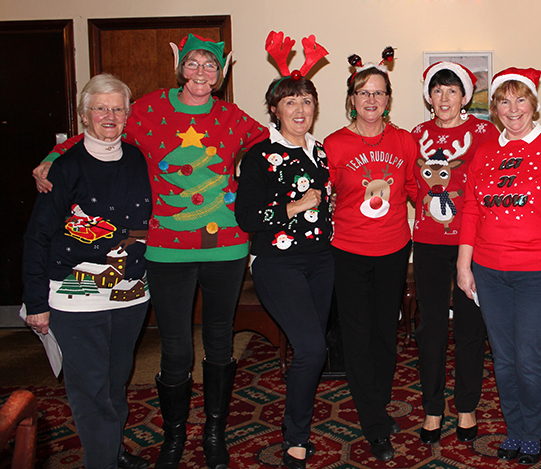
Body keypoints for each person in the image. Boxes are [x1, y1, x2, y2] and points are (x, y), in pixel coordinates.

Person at [32, 34, 268, 469]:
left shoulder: (233, 116)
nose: (201, 73)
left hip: (227, 248)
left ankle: (214, 433)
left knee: (218, 342)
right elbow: (100, 130)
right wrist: (53, 155)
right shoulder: (148, 109)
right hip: (166, 250)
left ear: (221, 74)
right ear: (181, 68)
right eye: (193, 64)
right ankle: (174, 436)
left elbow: (265, 149)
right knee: (176, 347)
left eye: (210, 66)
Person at [22, 74, 151, 469]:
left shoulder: (139, 159)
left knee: (115, 382)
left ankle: (111, 450)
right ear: (84, 115)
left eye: (117, 108)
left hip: (130, 294)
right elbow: (37, 237)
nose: (109, 116)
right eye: (100, 108)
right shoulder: (63, 167)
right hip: (75, 295)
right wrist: (35, 301)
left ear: (128, 115)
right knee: (90, 390)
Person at [456, 67, 541, 465]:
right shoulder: (485, 150)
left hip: (538, 274)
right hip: (490, 272)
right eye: (504, 101)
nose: (513, 109)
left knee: (528, 356)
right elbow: (471, 209)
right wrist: (464, 265)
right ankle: (513, 429)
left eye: (521, 99)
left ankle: (533, 431)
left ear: (534, 103)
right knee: (504, 357)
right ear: (494, 108)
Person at [235, 31, 331, 469]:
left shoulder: (322, 152)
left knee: (309, 347)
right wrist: (295, 205)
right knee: (312, 348)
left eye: (306, 101)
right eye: (290, 102)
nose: (300, 109)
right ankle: (295, 435)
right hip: (276, 262)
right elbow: (247, 217)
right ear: (274, 109)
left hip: (322, 262)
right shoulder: (259, 156)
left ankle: (300, 417)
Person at [322, 48, 417, 462]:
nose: (372, 100)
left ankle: (374, 405)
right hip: (348, 252)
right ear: (352, 99)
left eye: (379, 93)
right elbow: (321, 197)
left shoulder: (405, 141)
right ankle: (375, 424)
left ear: (389, 99)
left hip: (394, 249)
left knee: (385, 335)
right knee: (357, 337)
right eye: (364, 93)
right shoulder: (334, 144)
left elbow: (419, 190)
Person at [411, 61, 498, 445]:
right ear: (429, 96)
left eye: (452, 90)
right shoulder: (415, 134)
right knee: (430, 328)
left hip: (473, 244)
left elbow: (513, 154)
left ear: (464, 96)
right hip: (428, 244)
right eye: (437, 90)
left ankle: (466, 405)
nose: (444, 97)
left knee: (469, 327)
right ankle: (432, 408)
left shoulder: (485, 132)